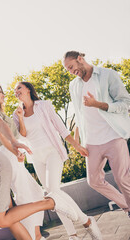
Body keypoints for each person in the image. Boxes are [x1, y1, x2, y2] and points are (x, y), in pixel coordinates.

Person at [0, 59, 80, 240]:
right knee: (6, 215)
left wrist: (14, 142)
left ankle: (50, 202)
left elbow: (0, 124)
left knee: (0, 218)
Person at [12, 81, 102, 240]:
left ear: (27, 89)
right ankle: (74, 233)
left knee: (53, 191)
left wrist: (76, 146)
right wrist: (20, 117)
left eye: (19, 87)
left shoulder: (44, 106)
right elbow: (22, 136)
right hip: (36, 157)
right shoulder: (16, 113)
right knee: (54, 195)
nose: (16, 91)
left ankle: (85, 223)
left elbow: (60, 127)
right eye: (14, 90)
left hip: (52, 151)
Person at [63, 51, 130, 219]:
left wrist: (98, 104)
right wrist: (77, 143)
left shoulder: (108, 75)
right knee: (93, 181)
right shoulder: (74, 85)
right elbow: (79, 114)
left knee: (122, 178)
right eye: (68, 70)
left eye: (71, 67)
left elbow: (126, 103)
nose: (71, 71)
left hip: (113, 135)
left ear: (80, 58)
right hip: (91, 142)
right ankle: (126, 205)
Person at [0, 82, 45, 240]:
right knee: (23, 195)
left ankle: (36, 234)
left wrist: (21, 117)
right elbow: (2, 138)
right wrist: (14, 151)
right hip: (7, 154)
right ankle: (32, 236)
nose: (3, 94)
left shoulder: (4, 114)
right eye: (0, 92)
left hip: (14, 155)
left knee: (36, 192)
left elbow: (21, 134)